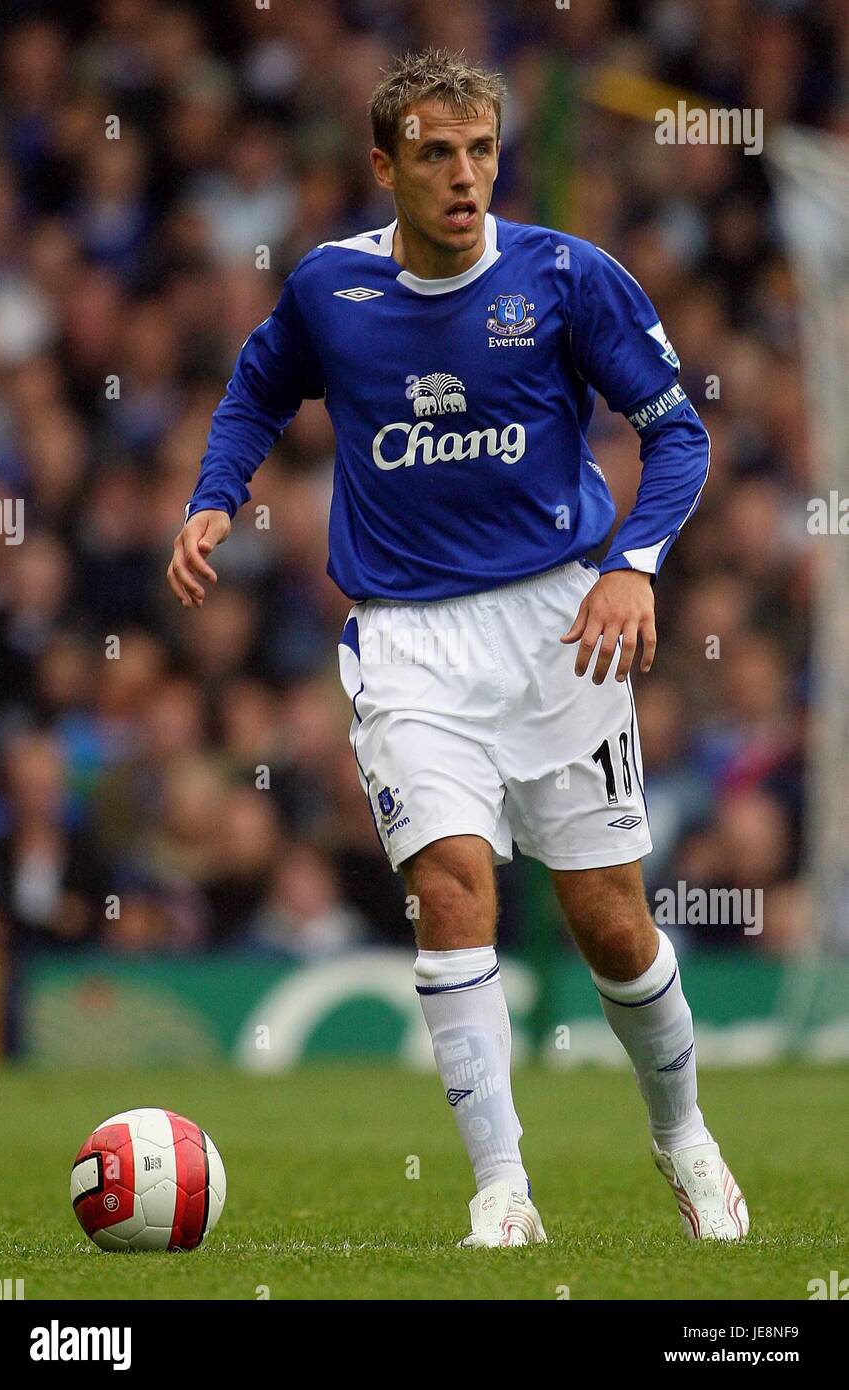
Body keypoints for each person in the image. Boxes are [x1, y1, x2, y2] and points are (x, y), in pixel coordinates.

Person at [167, 48, 748, 1247]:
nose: (463, 174)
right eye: (435, 152)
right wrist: (214, 495)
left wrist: (631, 567)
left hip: (558, 623)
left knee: (609, 923)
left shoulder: (565, 278)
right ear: (384, 165)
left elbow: (675, 436)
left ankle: (682, 1134)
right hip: (408, 642)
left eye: (480, 150)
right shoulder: (331, 289)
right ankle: (501, 1191)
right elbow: (255, 390)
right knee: (449, 885)